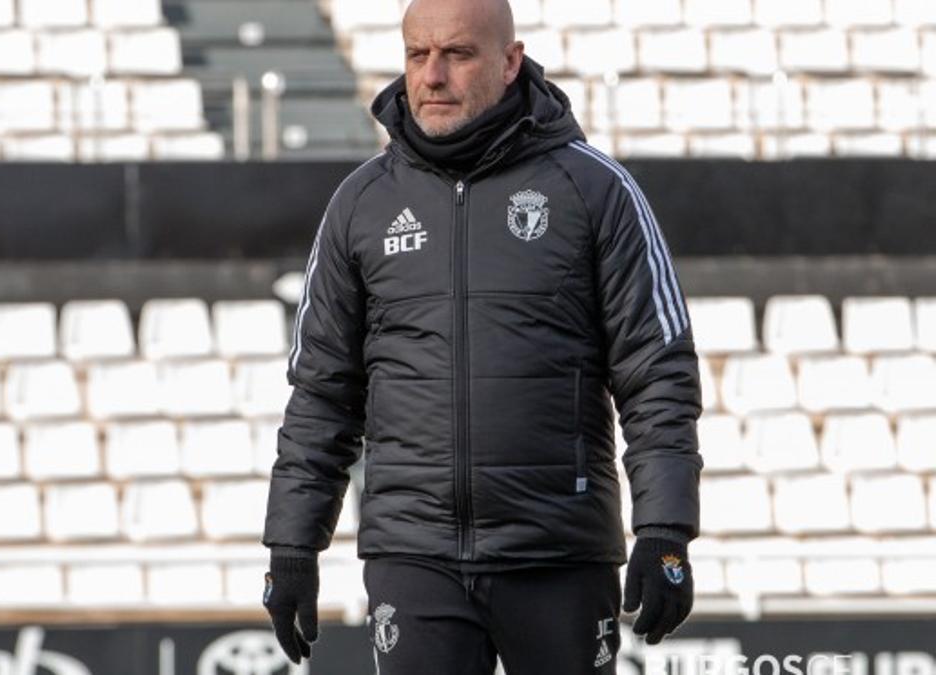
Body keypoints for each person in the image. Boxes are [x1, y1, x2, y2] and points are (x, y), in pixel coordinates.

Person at [261, 0, 703, 671]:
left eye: (457, 54)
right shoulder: (361, 205)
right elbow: (322, 391)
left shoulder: (595, 191)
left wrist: (666, 531)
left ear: (509, 62)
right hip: (415, 559)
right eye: (417, 54)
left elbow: (658, 375)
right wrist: (292, 546)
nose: (431, 75)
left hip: (559, 555)